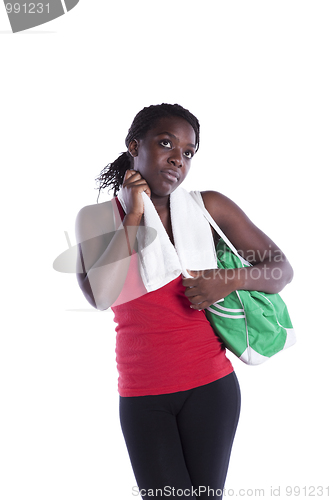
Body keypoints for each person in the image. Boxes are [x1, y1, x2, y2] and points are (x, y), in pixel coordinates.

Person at [75, 103, 293, 499]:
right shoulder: (96, 219)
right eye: (165, 144)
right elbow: (100, 295)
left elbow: (281, 269)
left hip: (211, 388)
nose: (178, 159)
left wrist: (227, 280)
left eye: (189, 152)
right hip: (144, 394)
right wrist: (135, 214)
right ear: (133, 146)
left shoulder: (207, 207)